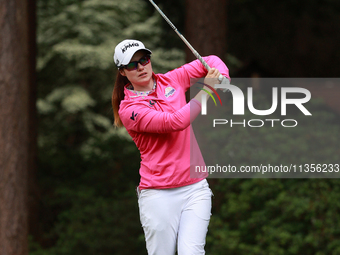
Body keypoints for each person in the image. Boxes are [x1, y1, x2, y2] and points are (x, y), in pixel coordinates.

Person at [112, 39, 230, 255]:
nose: (140, 67)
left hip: (195, 188)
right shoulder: (129, 110)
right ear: (122, 72)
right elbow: (174, 122)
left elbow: (211, 61)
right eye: (131, 65)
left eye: (144, 60)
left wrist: (222, 77)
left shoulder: (171, 80)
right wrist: (207, 90)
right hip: (158, 194)